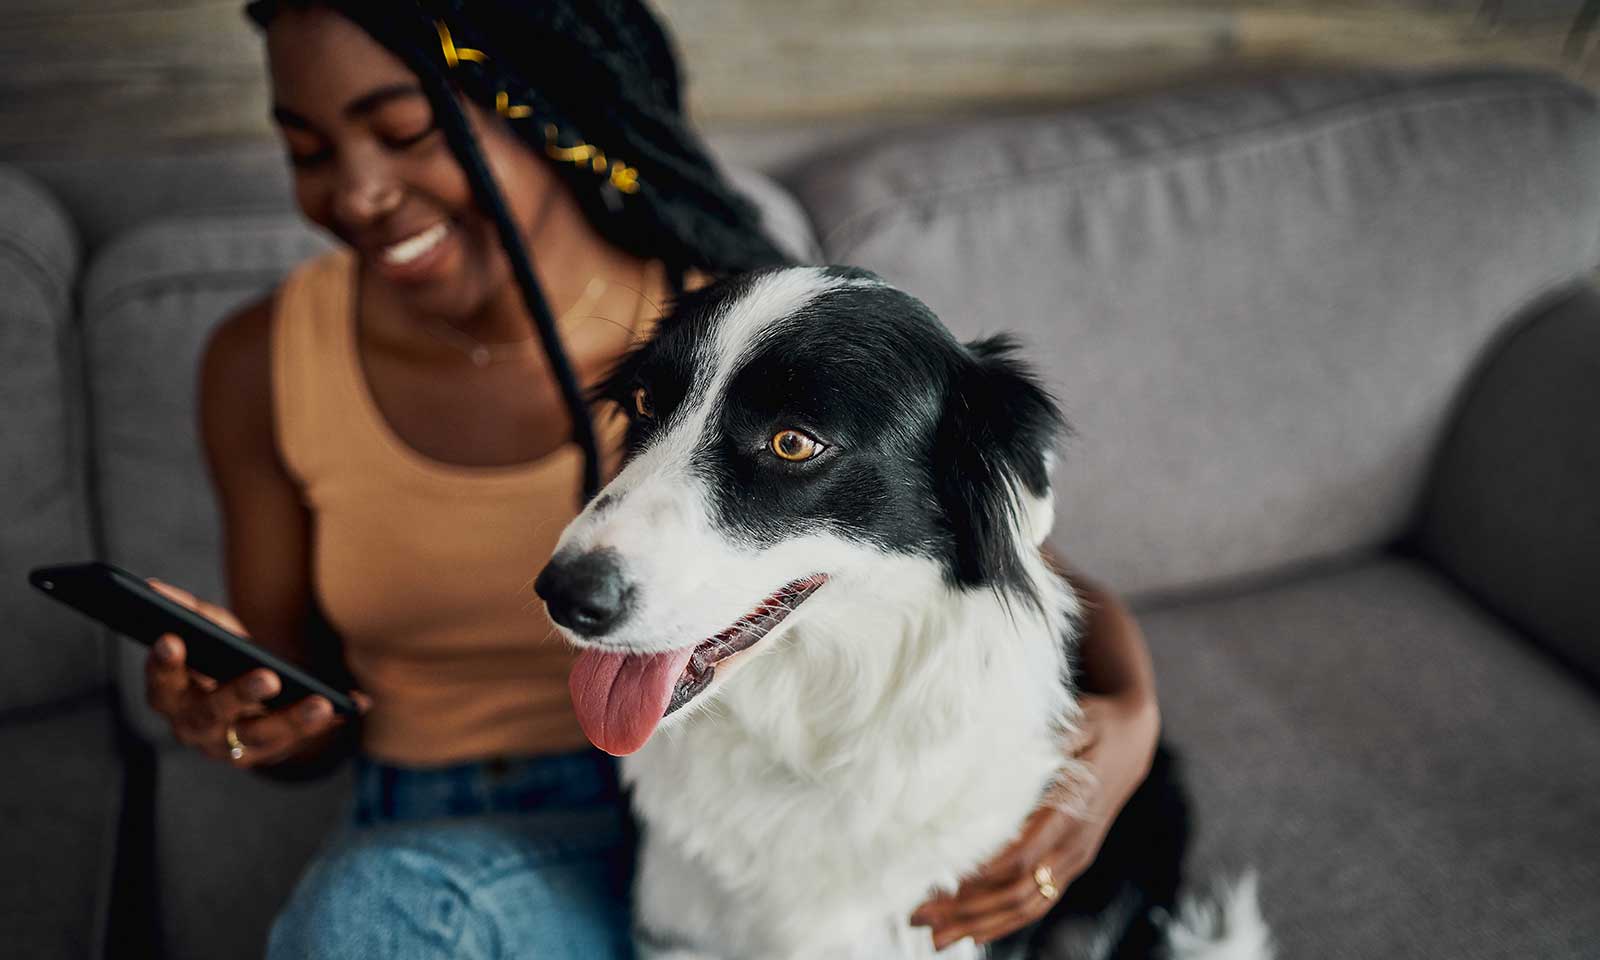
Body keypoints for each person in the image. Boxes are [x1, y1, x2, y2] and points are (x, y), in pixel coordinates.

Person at [141, 1, 1162, 956]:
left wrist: (1127, 720)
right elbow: (303, 704)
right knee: (378, 902)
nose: (355, 192)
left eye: (406, 130)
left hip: (675, 796)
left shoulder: (726, 302)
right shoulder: (259, 360)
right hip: (440, 816)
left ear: (542, 107)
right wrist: (252, 723)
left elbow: (999, 541)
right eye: (306, 149)